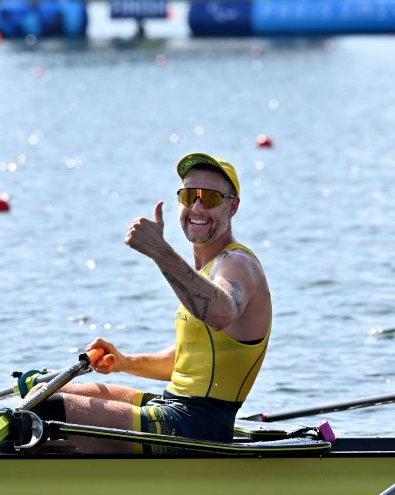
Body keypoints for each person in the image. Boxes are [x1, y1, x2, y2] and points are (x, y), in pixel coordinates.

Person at [35, 152, 272, 452]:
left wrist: (160, 251)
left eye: (210, 199)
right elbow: (186, 360)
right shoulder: (205, 271)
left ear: (233, 206)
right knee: (40, 393)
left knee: (45, 413)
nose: (197, 207)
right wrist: (125, 362)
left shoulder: (238, 264)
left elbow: (222, 312)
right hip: (175, 408)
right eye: (188, 196)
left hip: (197, 428)